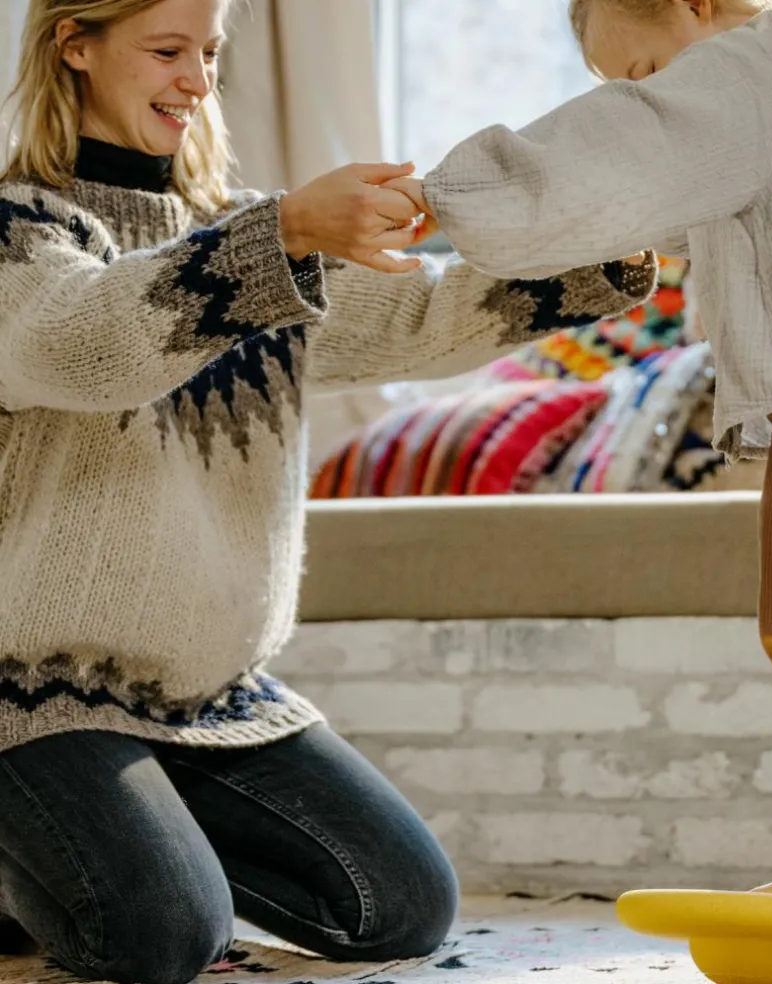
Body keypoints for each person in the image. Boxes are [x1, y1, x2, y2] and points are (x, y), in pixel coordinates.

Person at [0, 1, 658, 982]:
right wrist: (290, 232)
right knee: (161, 937)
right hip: (34, 694)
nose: (197, 79)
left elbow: (421, 315)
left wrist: (606, 261)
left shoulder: (242, 237)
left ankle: (111, 836)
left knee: (402, 906)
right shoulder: (23, 230)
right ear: (76, 45)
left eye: (211, 54)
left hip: (212, 701)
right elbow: (90, 344)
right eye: (168, 51)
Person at [390, 0, 772, 906]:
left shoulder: (744, 69)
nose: (647, 99)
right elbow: (690, 203)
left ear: (697, 6)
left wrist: (450, 194)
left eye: (642, 74)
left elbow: (619, 146)